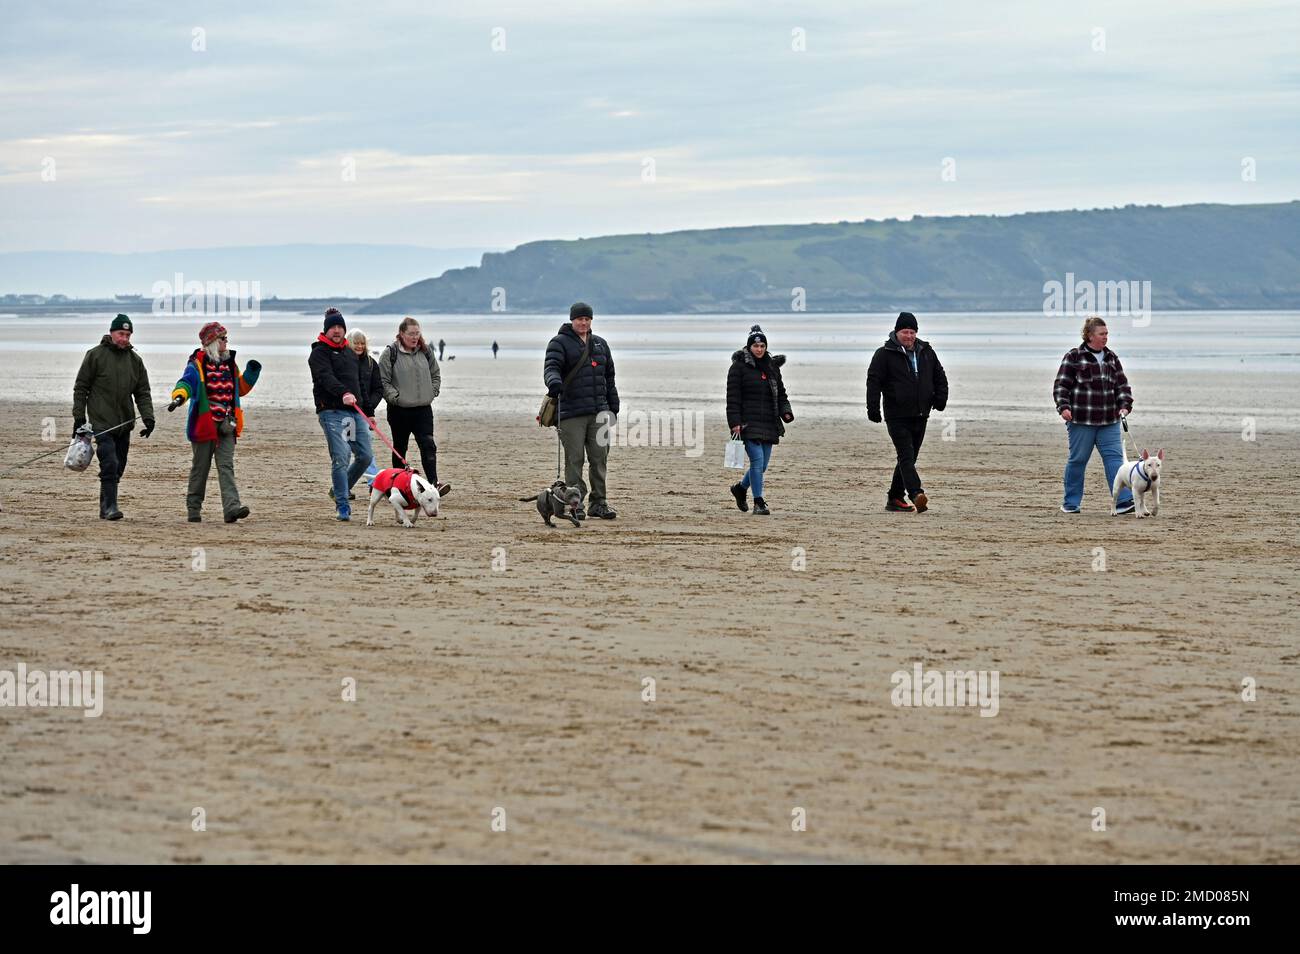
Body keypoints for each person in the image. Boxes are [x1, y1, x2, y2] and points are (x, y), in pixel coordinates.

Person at [168, 321, 261, 523]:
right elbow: (186, 383)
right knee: (200, 467)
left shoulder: (230, 363)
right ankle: (193, 509)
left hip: (227, 424)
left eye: (226, 338)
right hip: (205, 424)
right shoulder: (197, 364)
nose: (226, 342)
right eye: (223, 339)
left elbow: (240, 389)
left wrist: (252, 374)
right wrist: (179, 397)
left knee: (226, 466)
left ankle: (232, 508)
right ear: (212, 342)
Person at [71, 313, 156, 520]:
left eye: (127, 335)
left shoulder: (135, 361)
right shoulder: (95, 355)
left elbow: (142, 392)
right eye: (121, 334)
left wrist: (148, 418)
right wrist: (79, 417)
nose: (124, 338)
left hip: (125, 423)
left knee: (119, 465)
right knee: (109, 462)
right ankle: (110, 507)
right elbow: (81, 387)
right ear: (111, 333)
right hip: (102, 423)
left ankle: (105, 506)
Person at [866, 311, 949, 513]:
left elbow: (940, 376)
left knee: (909, 458)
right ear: (897, 332)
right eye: (905, 332)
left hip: (921, 413)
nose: (909, 336)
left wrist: (940, 399)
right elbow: (873, 381)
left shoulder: (926, 351)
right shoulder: (884, 353)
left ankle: (894, 498)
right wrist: (873, 408)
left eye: (912, 332)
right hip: (896, 414)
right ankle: (915, 493)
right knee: (905, 455)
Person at [544, 301, 619, 519]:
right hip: (571, 412)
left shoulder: (600, 345)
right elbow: (551, 367)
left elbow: (609, 378)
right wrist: (553, 382)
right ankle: (575, 506)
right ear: (572, 320)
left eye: (587, 319)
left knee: (599, 459)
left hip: (599, 412)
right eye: (579, 319)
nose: (583, 322)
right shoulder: (559, 342)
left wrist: (613, 406)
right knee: (575, 460)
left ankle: (599, 503)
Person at [1053, 316, 1135, 515]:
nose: (1106, 337)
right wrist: (1063, 407)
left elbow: (1122, 386)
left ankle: (1123, 501)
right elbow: (1061, 386)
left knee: (1115, 460)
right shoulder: (1074, 357)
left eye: (1107, 333)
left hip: (1109, 420)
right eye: (1102, 334)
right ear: (1090, 335)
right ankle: (1071, 503)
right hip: (1081, 420)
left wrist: (1125, 405)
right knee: (1078, 460)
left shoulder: (1111, 357)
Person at [309, 307, 374, 520]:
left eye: (340, 327)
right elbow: (325, 377)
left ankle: (339, 488)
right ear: (326, 330)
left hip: (354, 413)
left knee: (364, 456)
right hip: (331, 412)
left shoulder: (349, 352)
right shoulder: (319, 352)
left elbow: (360, 384)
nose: (337, 331)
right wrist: (343, 392)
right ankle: (342, 504)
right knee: (341, 456)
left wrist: (368, 412)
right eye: (333, 327)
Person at [726, 324, 794, 516]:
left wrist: (786, 412)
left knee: (762, 466)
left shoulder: (772, 367)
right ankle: (759, 502)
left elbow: (781, 394)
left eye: (762, 346)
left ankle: (740, 488)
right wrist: (735, 423)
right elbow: (733, 398)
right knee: (757, 462)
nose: (759, 349)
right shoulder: (738, 368)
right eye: (756, 346)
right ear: (749, 347)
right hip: (747, 423)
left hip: (769, 422)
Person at [378, 317, 450, 495]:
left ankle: (434, 484)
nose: (415, 337)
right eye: (411, 333)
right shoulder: (390, 353)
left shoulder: (425, 351)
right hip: (399, 410)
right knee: (400, 447)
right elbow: (383, 381)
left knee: (428, 445)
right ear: (401, 334)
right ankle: (397, 484)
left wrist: (432, 391)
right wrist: (395, 398)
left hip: (423, 409)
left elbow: (436, 373)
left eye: (417, 333)